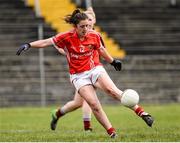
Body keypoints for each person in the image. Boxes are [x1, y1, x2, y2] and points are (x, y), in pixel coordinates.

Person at [16, 9, 154, 138]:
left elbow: (101, 50)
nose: (86, 29)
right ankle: (112, 133)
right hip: (78, 76)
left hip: (95, 69)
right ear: (75, 26)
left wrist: (113, 61)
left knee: (112, 91)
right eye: (83, 26)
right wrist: (29, 45)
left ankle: (143, 113)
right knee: (92, 104)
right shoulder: (66, 37)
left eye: (89, 25)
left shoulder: (94, 35)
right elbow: (47, 42)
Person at [53, 6, 97, 132]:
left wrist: (90, 9)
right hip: (81, 73)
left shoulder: (93, 35)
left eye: (90, 19)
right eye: (86, 20)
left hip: (93, 70)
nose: (88, 23)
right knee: (87, 100)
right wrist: (61, 49)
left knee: (78, 103)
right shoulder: (78, 34)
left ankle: (57, 113)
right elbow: (66, 48)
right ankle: (87, 127)